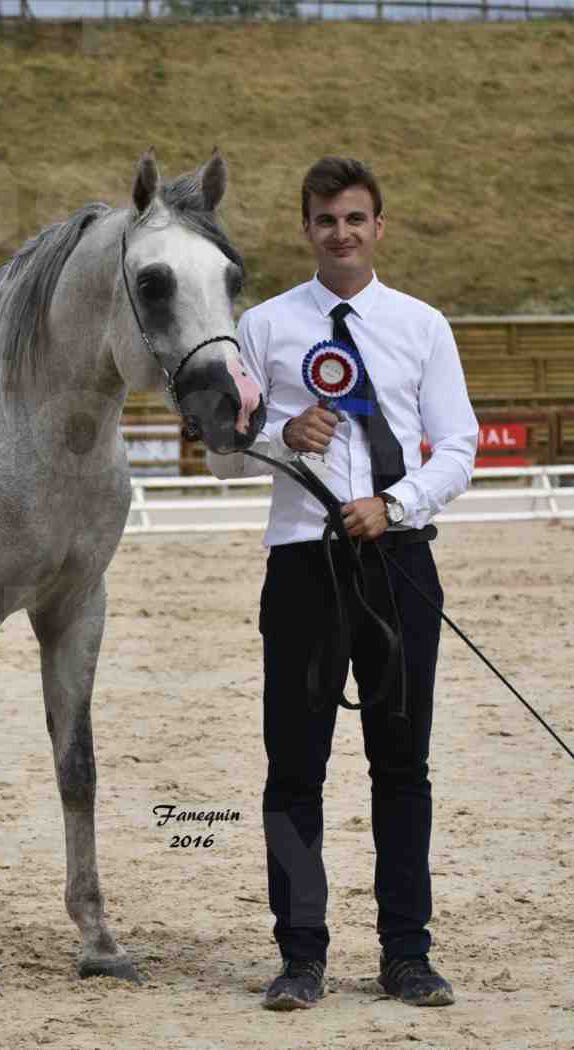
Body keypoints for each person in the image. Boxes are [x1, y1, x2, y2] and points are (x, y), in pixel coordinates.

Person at [206, 156, 478, 1011]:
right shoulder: (263, 327)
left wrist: (393, 504)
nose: (341, 233)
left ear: (378, 227)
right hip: (301, 567)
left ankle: (407, 953)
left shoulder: (423, 325)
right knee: (294, 771)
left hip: (398, 563)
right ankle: (301, 953)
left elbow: (459, 447)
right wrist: (285, 435)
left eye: (356, 218)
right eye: (325, 219)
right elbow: (219, 456)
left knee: (403, 766)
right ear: (306, 229)